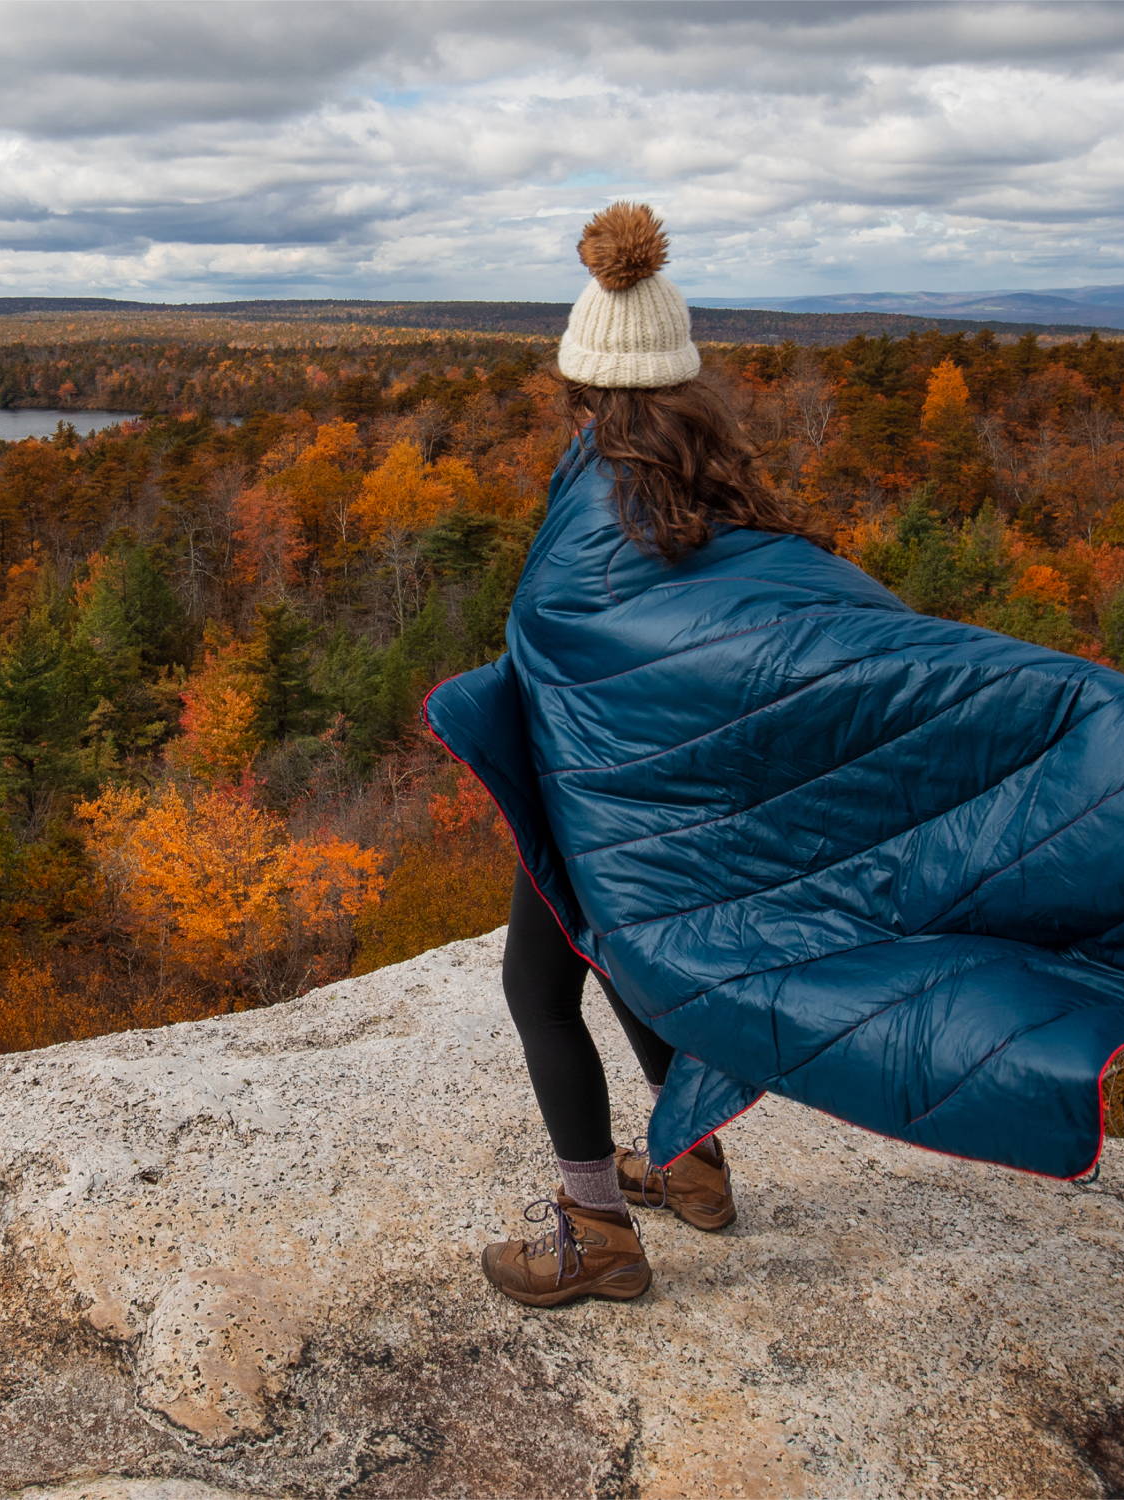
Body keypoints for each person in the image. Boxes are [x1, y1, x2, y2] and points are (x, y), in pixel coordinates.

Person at [475, 202, 827, 1307]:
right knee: (624, 955)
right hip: (679, 790)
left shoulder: (595, 484)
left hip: (594, 788)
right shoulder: (710, 481)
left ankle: (596, 1228)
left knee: (539, 984)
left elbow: (551, 632)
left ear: (582, 378)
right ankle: (694, 1166)